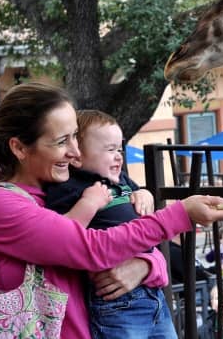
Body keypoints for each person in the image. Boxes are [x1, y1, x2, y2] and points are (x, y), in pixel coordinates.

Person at [0, 82, 223, 338]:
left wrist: (146, 265)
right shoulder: (3, 204)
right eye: (62, 141)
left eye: (75, 136)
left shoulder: (68, 191)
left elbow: (139, 249)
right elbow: (92, 248)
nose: (75, 152)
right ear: (19, 148)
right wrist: (181, 214)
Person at [43, 109, 174, 338]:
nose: (118, 156)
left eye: (119, 149)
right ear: (78, 156)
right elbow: (61, 235)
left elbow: (138, 193)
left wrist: (145, 193)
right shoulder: (70, 187)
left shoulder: (120, 179)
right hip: (115, 301)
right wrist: (88, 204)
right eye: (110, 150)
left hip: (153, 294)